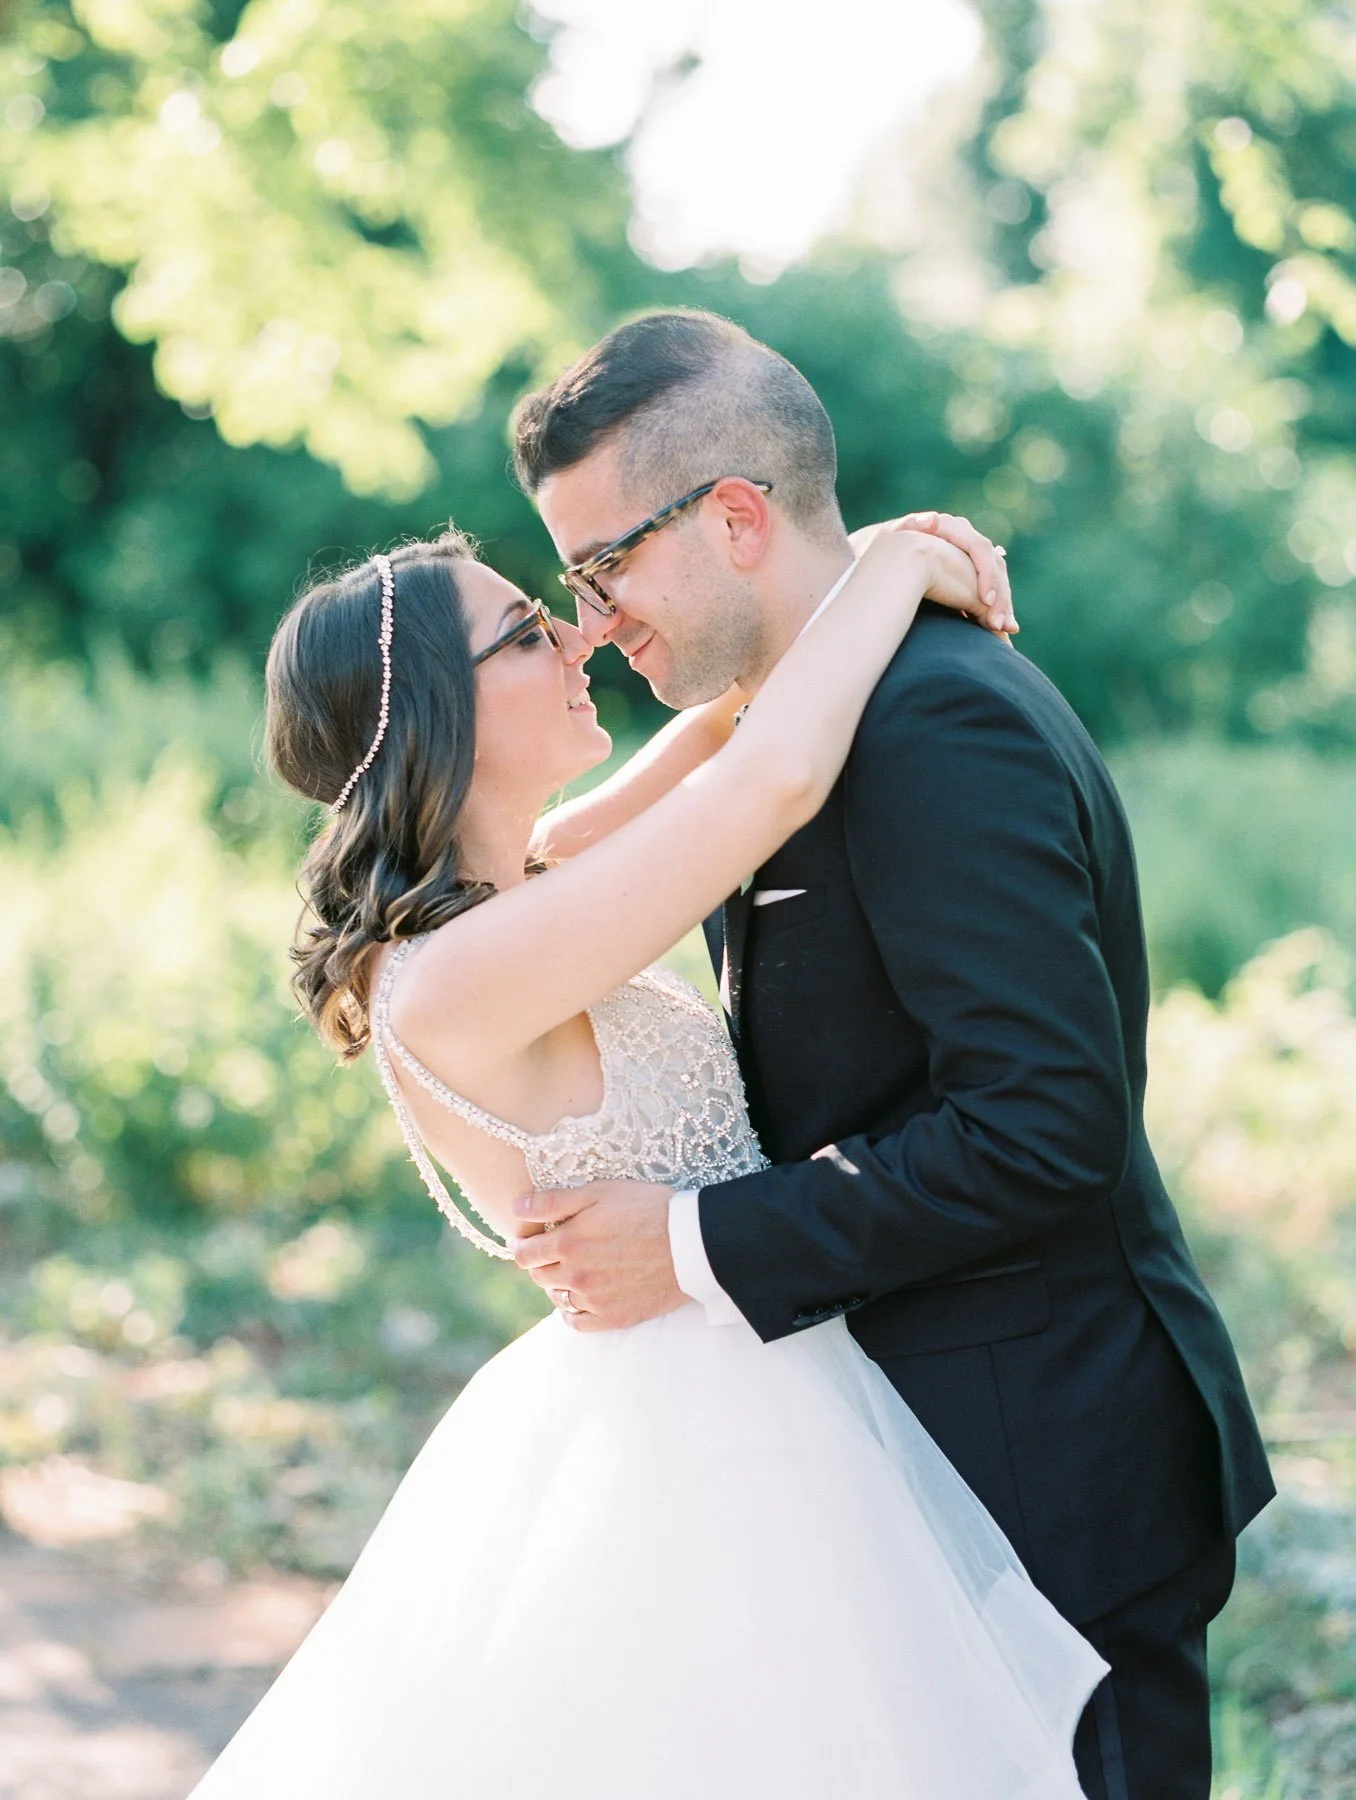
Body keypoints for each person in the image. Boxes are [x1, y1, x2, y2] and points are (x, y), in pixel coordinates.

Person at [188, 513, 1109, 1799]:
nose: (578, 636)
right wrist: (892, 568)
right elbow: (771, 777)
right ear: (433, 723)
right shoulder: (455, 977)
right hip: (702, 1445)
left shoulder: (533, 880)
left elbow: (734, 722)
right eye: (526, 631)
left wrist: (849, 553)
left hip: (767, 1383)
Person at [505, 309, 1276, 1800]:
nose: (591, 618)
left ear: (733, 518)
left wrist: (690, 1244)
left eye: (604, 567)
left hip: (1047, 1465)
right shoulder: (807, 721)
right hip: (916, 1464)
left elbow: (1045, 1125)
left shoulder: (935, 729)